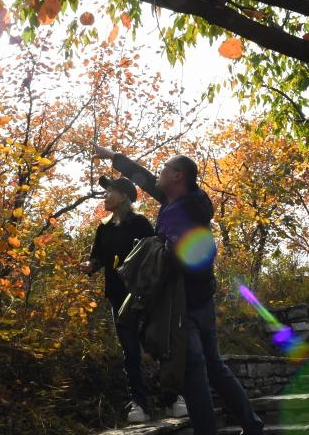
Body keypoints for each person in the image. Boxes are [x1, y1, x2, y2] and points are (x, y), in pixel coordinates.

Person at [93, 145, 264, 435]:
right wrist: (113, 157)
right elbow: (144, 178)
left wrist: (156, 257)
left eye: (164, 169)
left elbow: (189, 255)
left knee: (194, 372)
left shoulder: (180, 211)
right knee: (214, 366)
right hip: (199, 299)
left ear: (177, 176)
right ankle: (252, 425)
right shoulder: (180, 200)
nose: (158, 172)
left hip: (184, 303)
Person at [80, 175, 156, 423]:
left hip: (144, 296)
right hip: (117, 297)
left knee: (157, 346)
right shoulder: (103, 227)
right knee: (130, 351)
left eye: (109, 191)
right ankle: (139, 404)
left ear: (123, 196)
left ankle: (175, 397)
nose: (105, 196)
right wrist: (91, 265)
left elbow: (156, 256)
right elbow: (98, 257)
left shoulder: (141, 223)